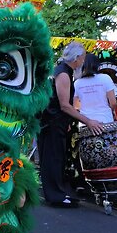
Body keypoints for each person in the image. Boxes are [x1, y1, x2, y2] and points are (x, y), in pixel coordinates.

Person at [39, 42, 103, 208]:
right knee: (53, 159)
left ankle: (60, 192)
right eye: (82, 58)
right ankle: (55, 196)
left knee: (58, 159)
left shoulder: (63, 71)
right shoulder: (63, 74)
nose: (83, 62)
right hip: (52, 123)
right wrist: (88, 121)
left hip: (56, 122)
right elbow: (64, 105)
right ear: (76, 58)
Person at [74, 53, 117, 123]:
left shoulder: (77, 83)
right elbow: (113, 103)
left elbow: (76, 106)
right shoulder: (105, 78)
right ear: (98, 65)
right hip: (105, 120)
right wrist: (110, 111)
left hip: (86, 123)